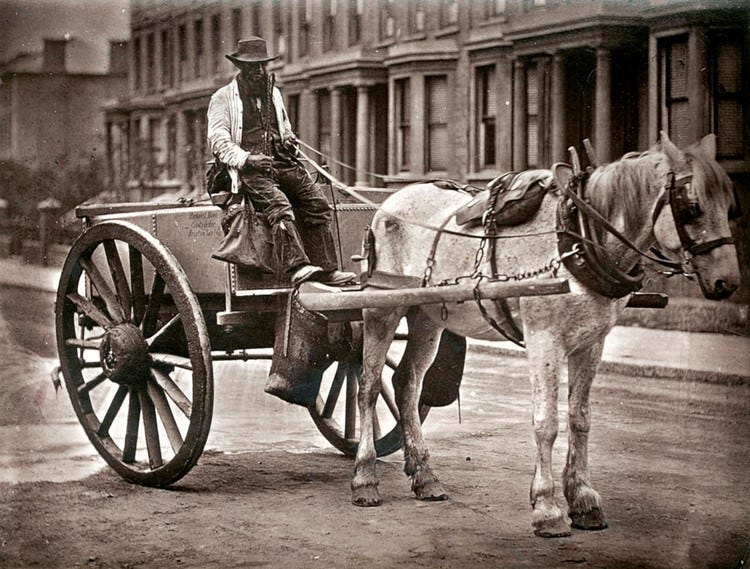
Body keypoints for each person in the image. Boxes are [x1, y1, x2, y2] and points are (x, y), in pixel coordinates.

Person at [207, 36, 356, 286]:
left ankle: (328, 270)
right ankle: (297, 266)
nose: (259, 71)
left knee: (317, 203)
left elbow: (284, 128)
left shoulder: (273, 93)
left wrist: (288, 139)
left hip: (282, 163)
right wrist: (248, 159)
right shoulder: (223, 98)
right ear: (241, 68)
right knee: (279, 206)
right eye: (253, 67)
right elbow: (218, 141)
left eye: (263, 66)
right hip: (248, 171)